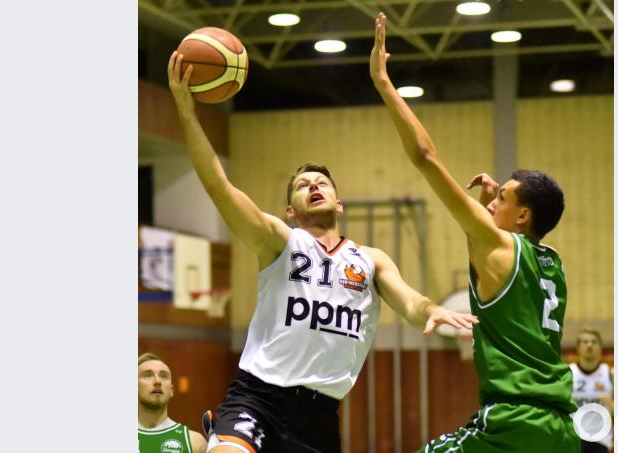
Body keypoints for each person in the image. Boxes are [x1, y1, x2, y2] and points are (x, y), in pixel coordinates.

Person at [166, 51, 479, 453]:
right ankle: (223, 436)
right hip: (258, 398)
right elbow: (219, 188)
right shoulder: (280, 241)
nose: (314, 186)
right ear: (290, 211)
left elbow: (412, 304)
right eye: (302, 185)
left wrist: (433, 310)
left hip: (319, 414)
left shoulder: (371, 259)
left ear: (339, 202)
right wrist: (187, 113)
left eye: (322, 183)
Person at [370, 12, 580, 452]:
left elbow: (426, 156)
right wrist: (494, 207)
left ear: (523, 216)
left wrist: (384, 83)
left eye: (503, 195)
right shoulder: (553, 261)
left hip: (512, 420)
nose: (493, 199)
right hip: (561, 428)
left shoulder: (497, 243)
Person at [138, 352, 208, 453]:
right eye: (148, 375)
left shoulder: (195, 442)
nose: (158, 381)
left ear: (171, 390)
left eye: (163, 376)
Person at [571, 329, 614, 452]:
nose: (589, 345)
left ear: (600, 348)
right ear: (578, 348)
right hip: (574, 437)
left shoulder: (610, 374)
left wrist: (612, 405)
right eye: (585, 342)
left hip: (600, 439)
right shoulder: (569, 373)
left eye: (594, 342)